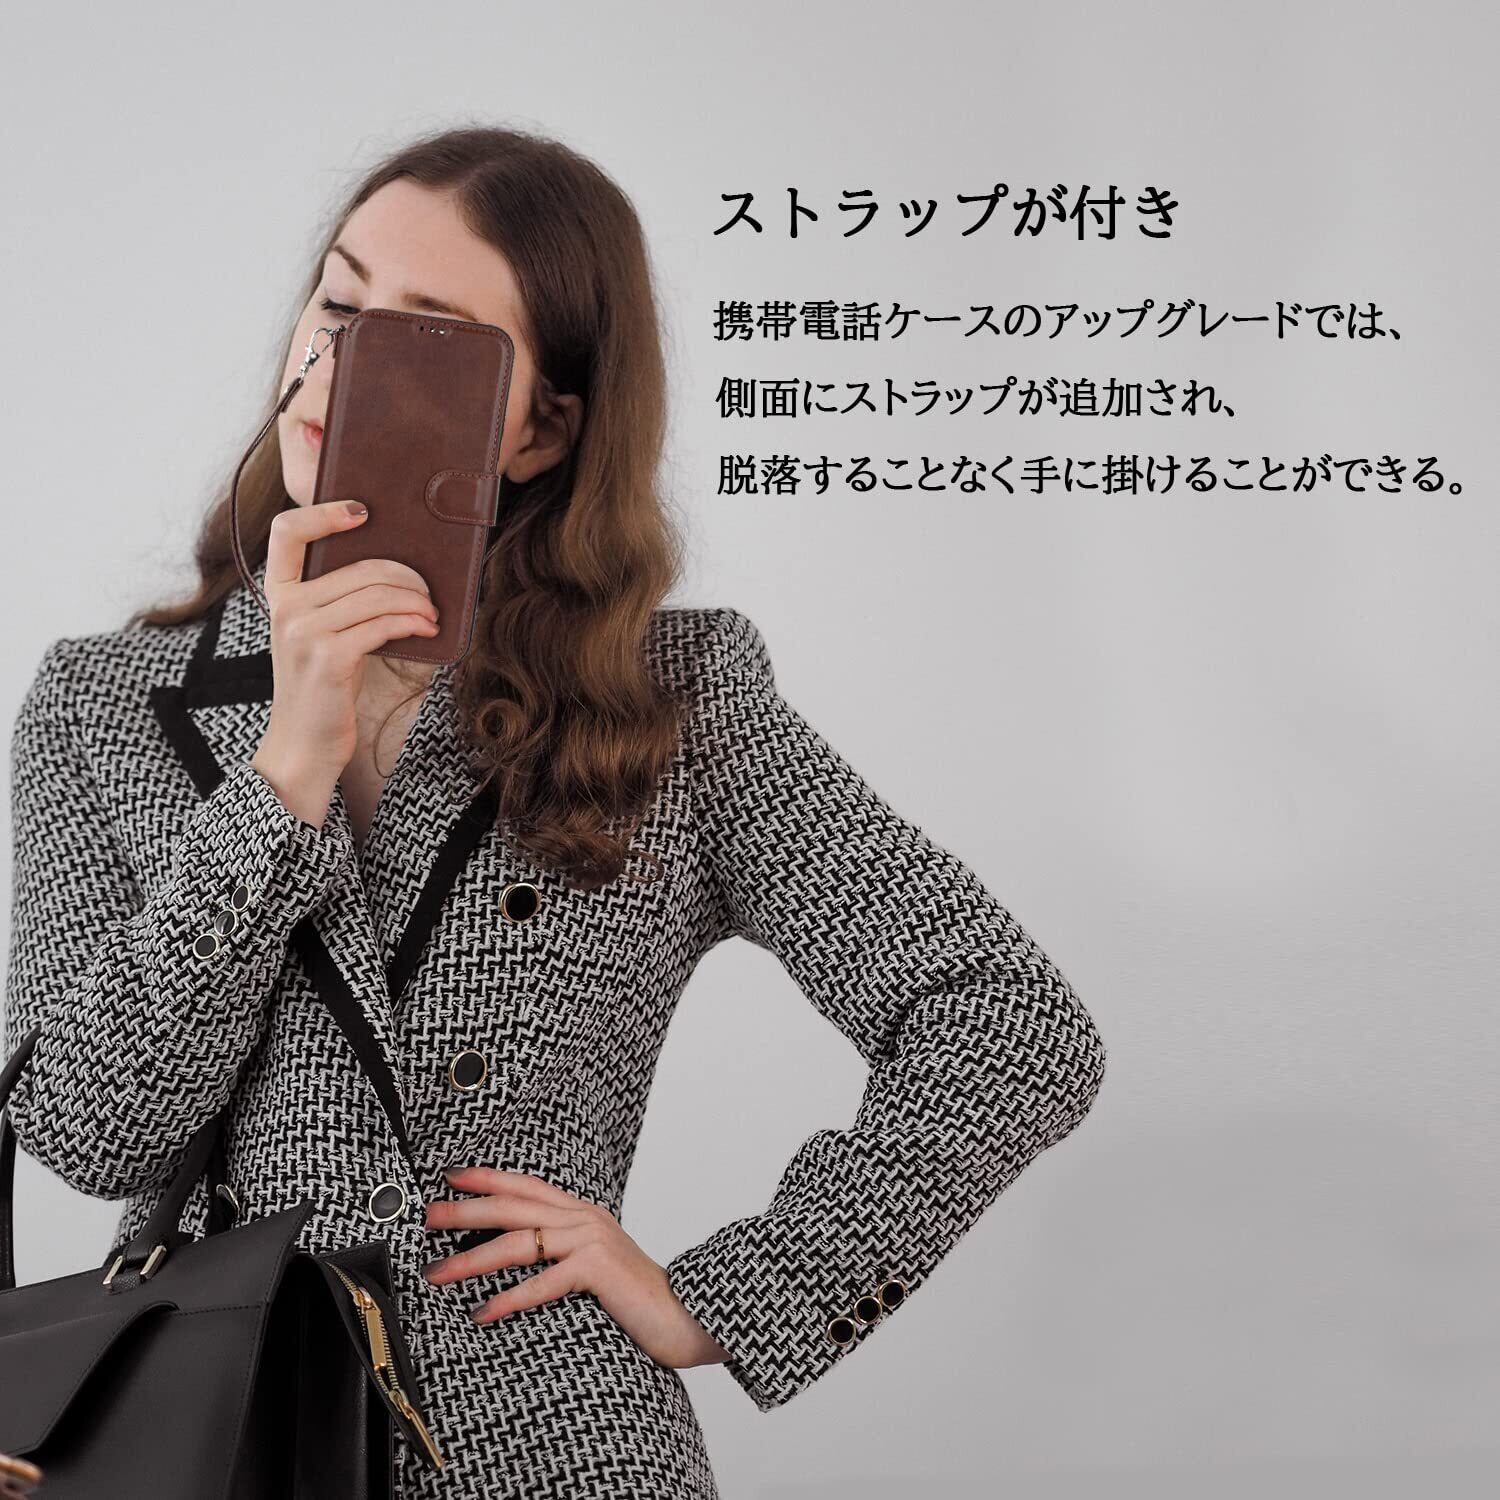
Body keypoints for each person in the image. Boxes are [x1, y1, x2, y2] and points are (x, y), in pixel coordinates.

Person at [2, 125, 1107, 1499]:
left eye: (426, 344)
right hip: (216, 1431)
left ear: (539, 425)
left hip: (549, 1435)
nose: (339, 366)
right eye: (337, 303)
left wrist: (737, 1295)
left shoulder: (669, 703)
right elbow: (91, 1132)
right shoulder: (104, 704)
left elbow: (1009, 1019)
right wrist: (286, 773)